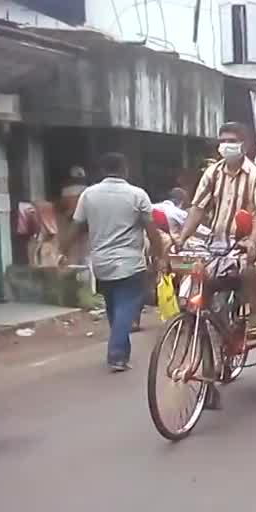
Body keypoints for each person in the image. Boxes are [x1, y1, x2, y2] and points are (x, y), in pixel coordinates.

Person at [61, 153, 166, 372]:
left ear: (102, 171)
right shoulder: (137, 194)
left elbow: (76, 226)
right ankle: (117, 355)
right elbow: (152, 230)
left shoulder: (89, 195)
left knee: (113, 308)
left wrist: (63, 252)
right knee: (126, 307)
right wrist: (160, 255)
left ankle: (121, 352)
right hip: (130, 262)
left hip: (101, 263)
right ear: (125, 170)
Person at [175, 121, 256, 331]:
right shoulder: (212, 173)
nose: (226, 146)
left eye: (232, 141)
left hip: (245, 239)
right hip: (216, 239)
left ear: (244, 146)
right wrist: (182, 237)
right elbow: (198, 208)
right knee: (185, 263)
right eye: (223, 142)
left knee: (247, 266)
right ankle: (191, 313)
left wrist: (253, 241)